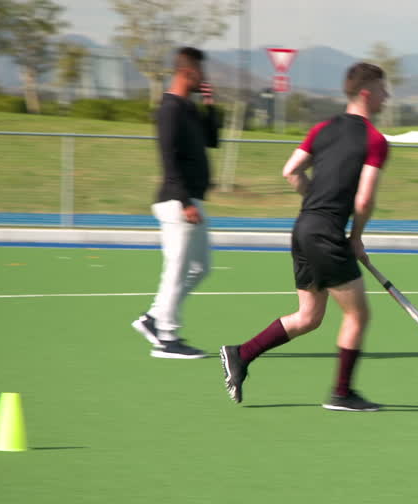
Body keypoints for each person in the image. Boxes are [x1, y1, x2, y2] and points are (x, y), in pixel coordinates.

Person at [219, 62, 390, 411]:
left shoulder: (323, 128)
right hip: (326, 234)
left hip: (302, 229)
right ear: (367, 93)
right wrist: (354, 236)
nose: (388, 97)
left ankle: (241, 354)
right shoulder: (375, 140)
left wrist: (315, 204)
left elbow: (290, 171)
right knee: (358, 316)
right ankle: (342, 393)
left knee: (309, 317)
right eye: (384, 90)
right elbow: (365, 199)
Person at [131, 46, 221, 359]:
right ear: (188, 72)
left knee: (200, 268)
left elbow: (213, 140)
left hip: (191, 200)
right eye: (201, 73)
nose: (204, 78)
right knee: (177, 269)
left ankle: (155, 318)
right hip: (177, 202)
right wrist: (184, 201)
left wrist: (210, 104)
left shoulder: (189, 108)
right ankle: (166, 338)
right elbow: (168, 159)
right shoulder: (169, 109)